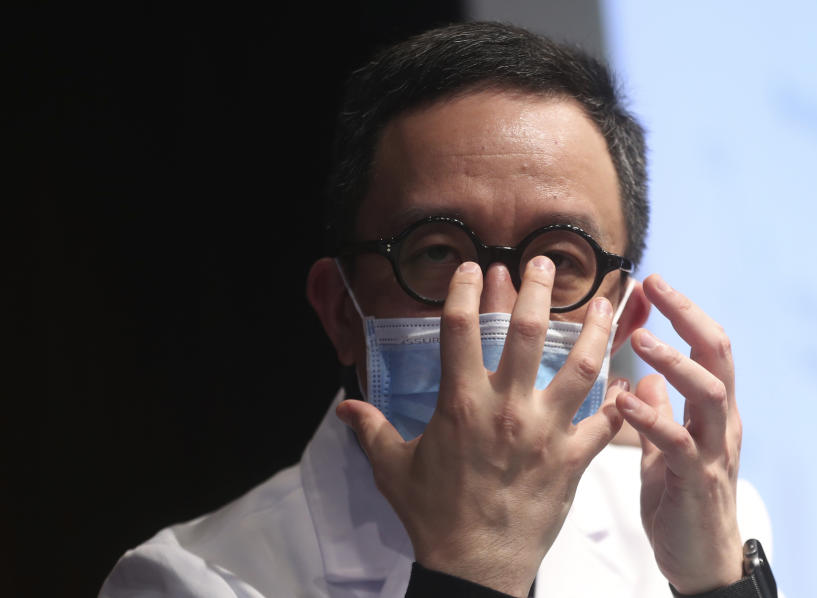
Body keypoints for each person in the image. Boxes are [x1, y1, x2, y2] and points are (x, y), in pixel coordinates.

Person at [100, 22, 775, 598]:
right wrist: (475, 565)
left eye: (561, 263)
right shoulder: (185, 581)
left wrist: (716, 587)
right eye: (440, 254)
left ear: (623, 321)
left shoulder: (701, 526)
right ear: (340, 310)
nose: (509, 313)